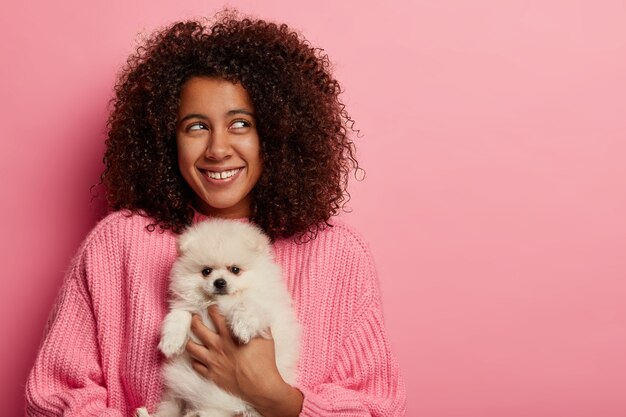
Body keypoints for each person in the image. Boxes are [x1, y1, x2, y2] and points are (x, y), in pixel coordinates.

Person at [25, 11, 406, 417]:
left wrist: (276, 399)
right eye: (195, 127)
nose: (218, 149)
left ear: (276, 134)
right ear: (166, 139)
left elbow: (376, 406)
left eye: (240, 123)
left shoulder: (338, 256)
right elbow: (54, 393)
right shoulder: (117, 244)